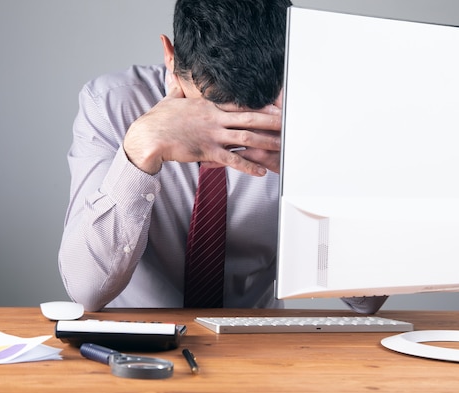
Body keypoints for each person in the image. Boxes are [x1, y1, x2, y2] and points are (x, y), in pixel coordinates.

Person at [58, 0, 387, 314]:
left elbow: (365, 299)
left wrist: (311, 178)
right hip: (137, 347)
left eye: (256, 111)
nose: (229, 133)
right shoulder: (112, 103)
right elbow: (86, 290)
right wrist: (139, 152)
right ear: (170, 57)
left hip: (261, 347)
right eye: (211, 109)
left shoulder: (315, 114)